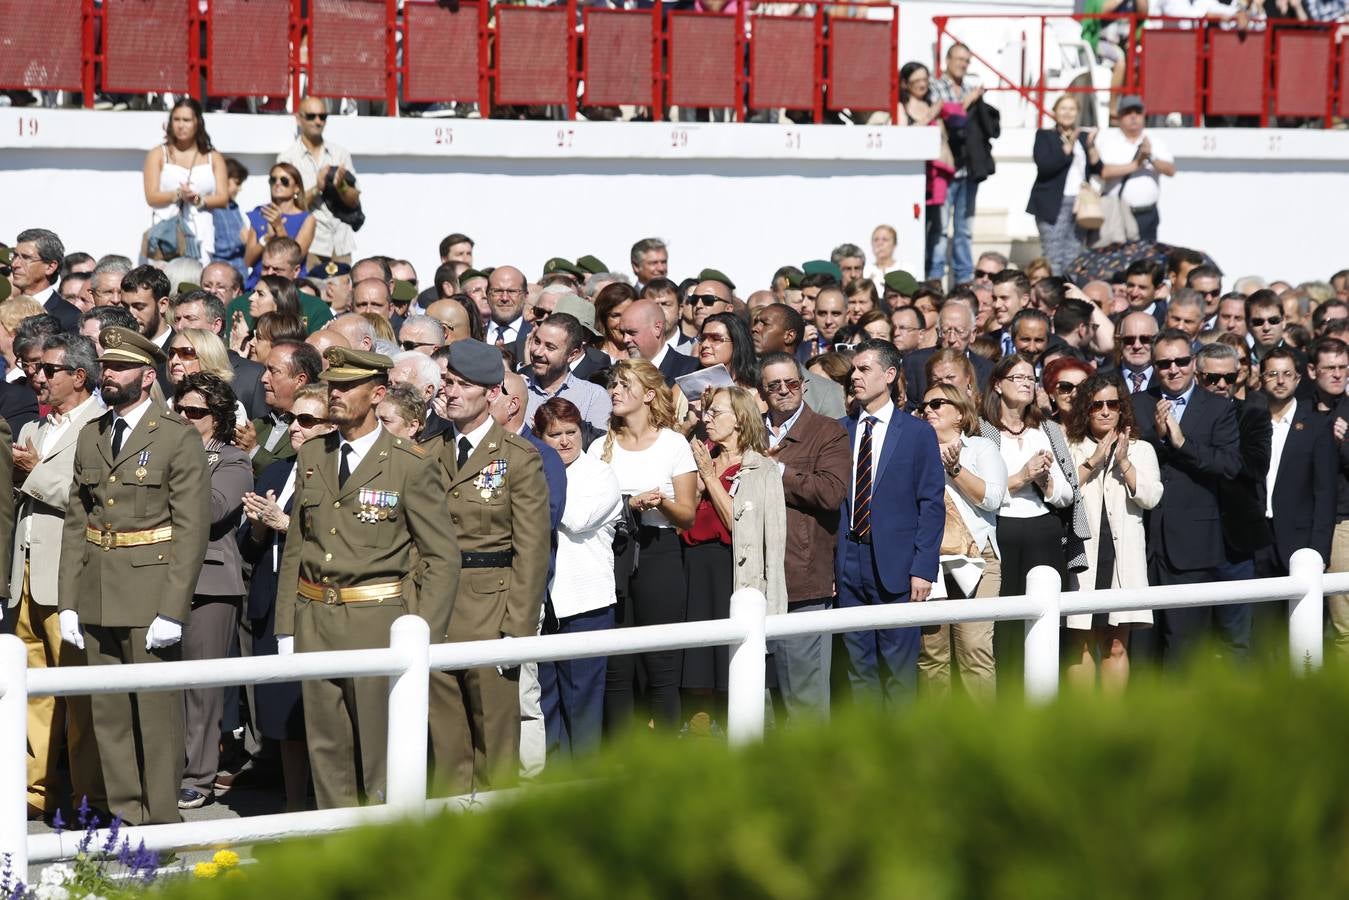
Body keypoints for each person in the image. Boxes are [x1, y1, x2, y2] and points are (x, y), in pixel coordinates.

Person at [274, 346, 457, 809]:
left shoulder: (409, 463)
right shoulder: (314, 452)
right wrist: (286, 625)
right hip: (315, 614)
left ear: (377, 394)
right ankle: (335, 844)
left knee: (380, 750)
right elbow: (298, 542)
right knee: (326, 746)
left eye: (345, 387)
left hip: (376, 620)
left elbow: (440, 555)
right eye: (331, 385)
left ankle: (382, 850)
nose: (334, 395)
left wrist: (422, 633)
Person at [57, 326, 210, 826]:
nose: (109, 376)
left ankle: (163, 819)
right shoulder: (92, 433)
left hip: (150, 592)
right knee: (109, 715)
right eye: (106, 367)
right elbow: (78, 522)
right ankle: (124, 817)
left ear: (148, 376)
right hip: (98, 587)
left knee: (156, 715)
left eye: (120, 368)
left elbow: (190, 528)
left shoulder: (176, 436)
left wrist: (173, 608)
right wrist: (69, 600)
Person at [430, 339, 549, 795]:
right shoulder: (425, 452)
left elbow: (532, 549)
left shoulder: (518, 457)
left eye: (462, 385)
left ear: (492, 393)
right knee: (445, 745)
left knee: (495, 743)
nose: (451, 392)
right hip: (435, 609)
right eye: (447, 383)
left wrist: (517, 627)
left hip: (491, 609)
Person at [9, 334, 101, 821]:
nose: (37, 377)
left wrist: (33, 473)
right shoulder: (33, 428)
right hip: (24, 574)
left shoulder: (99, 426)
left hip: (67, 577)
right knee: (33, 690)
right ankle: (33, 789)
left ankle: (86, 795)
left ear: (78, 377)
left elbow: (90, 497)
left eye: (49, 370)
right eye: (36, 369)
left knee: (79, 694)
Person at [238, 384, 334, 812]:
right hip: (272, 602)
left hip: (315, 607)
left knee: (322, 715)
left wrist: (284, 523)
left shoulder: (338, 473)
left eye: (307, 421)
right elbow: (249, 545)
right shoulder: (277, 471)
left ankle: (330, 805)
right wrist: (259, 525)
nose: (295, 427)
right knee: (282, 718)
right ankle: (294, 808)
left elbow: (339, 538)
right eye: (294, 418)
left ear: (331, 426)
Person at [836, 339, 945, 706]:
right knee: (858, 667)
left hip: (897, 566)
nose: (855, 376)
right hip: (849, 560)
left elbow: (931, 503)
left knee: (898, 672)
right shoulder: (840, 431)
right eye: (853, 369)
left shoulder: (917, 433)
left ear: (890, 374)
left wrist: (923, 567)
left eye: (864, 369)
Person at [590, 360, 697, 731]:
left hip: (659, 552)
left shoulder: (673, 444)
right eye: (613, 384)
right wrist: (628, 503)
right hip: (612, 555)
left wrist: (660, 502)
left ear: (649, 394)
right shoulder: (599, 445)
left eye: (624, 384)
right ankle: (620, 758)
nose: (614, 391)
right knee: (616, 668)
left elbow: (687, 516)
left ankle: (667, 760)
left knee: (661, 666)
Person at [1132, 328, 1241, 666]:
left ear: (1194, 362)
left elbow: (1229, 465)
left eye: (1181, 360)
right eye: (1164, 363)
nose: (1173, 369)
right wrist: (1159, 438)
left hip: (1194, 545)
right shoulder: (1136, 405)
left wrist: (1180, 444)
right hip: (1141, 542)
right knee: (1139, 649)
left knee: (1186, 650)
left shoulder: (1218, 408)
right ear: (1153, 366)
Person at [683, 386, 786, 730]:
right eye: (707, 413)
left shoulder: (759, 468)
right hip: (694, 570)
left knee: (735, 666)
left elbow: (737, 524)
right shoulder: (702, 460)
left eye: (716, 413)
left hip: (732, 572)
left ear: (740, 420)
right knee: (698, 668)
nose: (708, 418)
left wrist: (710, 479)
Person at [170, 373, 251, 810]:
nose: (185, 418)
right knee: (165, 686)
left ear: (217, 419)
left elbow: (215, 508)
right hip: (162, 579)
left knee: (201, 687)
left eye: (196, 412)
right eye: (179, 410)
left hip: (211, 582)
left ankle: (198, 776)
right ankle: (168, 768)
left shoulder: (233, 460)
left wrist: (184, 463)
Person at [758, 352, 848, 721]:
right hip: (752, 581)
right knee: (758, 698)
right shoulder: (749, 429)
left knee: (805, 700)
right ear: (763, 393)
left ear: (804, 386)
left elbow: (831, 492)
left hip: (802, 579)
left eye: (791, 383)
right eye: (774, 385)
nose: (784, 390)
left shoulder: (828, 431)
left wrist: (776, 470)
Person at [983, 352, 1081, 691]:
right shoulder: (982, 430)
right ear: (998, 385)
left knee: (1043, 616)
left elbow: (1069, 494)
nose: (1027, 384)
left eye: (1031, 378)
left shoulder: (1048, 429)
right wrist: (1023, 476)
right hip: (1000, 531)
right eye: (1018, 378)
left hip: (1044, 529)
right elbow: (981, 492)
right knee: (1003, 622)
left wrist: (1046, 483)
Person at [534, 397, 622, 757]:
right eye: (555, 435)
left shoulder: (600, 473)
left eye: (572, 432)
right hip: (543, 603)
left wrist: (543, 481)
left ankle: (584, 783)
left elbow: (578, 518)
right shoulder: (533, 470)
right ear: (541, 437)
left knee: (582, 704)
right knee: (546, 702)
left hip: (587, 604)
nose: (566, 441)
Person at [1064, 373, 1162, 692]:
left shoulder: (1141, 449)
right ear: (1086, 410)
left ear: (1122, 408)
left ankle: (1112, 722)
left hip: (1123, 557)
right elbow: (1060, 492)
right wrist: (1094, 462)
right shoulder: (1070, 446)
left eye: (1113, 404)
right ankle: (1082, 723)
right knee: (1080, 642)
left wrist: (1124, 463)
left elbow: (1151, 496)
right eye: (1097, 405)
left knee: (1116, 644)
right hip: (1084, 555)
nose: (1106, 411)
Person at [915, 383, 1007, 702]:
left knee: (975, 651)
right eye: (923, 405)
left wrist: (954, 469)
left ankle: (980, 739)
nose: (928, 410)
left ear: (959, 414)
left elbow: (993, 499)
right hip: (929, 561)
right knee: (931, 655)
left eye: (937, 404)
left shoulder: (982, 448)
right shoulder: (914, 450)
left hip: (978, 558)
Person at [928, 43, 989, 285]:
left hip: (968, 167)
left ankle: (964, 278)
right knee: (940, 228)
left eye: (967, 60)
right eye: (959, 59)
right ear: (947, 59)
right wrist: (967, 101)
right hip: (945, 167)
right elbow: (945, 117)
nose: (963, 64)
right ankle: (934, 276)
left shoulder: (968, 87)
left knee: (964, 228)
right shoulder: (936, 87)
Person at [142, 99, 229, 266]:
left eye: (186, 120)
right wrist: (178, 194)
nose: (181, 125)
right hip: (166, 234)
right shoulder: (158, 154)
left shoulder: (213, 157)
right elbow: (151, 196)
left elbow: (223, 197)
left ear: (197, 122)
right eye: (176, 119)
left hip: (201, 233)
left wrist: (198, 199)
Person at [277, 97, 360, 269]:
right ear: (298, 118)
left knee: (343, 295)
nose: (318, 121)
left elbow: (354, 201)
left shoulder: (340, 153)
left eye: (323, 116)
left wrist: (341, 186)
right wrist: (317, 188)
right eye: (311, 116)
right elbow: (286, 208)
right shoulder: (288, 158)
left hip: (341, 243)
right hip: (311, 245)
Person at [1028, 95, 1102, 276]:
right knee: (1053, 256)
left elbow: (1098, 168)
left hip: (1079, 204)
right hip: (1052, 203)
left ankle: (1070, 296)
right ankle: (1053, 296)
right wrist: (1068, 146)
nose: (1067, 113)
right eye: (1063, 108)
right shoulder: (1045, 136)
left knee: (1074, 255)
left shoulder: (1083, 138)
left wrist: (1091, 146)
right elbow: (1046, 166)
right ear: (1054, 112)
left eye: (1072, 109)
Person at [1097, 95, 1176, 243]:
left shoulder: (1155, 141)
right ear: (1119, 117)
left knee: (1146, 262)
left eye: (1137, 112)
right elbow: (1104, 172)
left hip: (1147, 214)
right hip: (1117, 214)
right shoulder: (1109, 142)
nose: (1133, 116)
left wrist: (1150, 156)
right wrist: (1135, 164)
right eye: (1128, 112)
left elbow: (1170, 170)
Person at [243, 162, 315, 290]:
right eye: (273, 179)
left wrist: (279, 227)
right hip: (259, 283)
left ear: (297, 188)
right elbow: (248, 260)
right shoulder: (260, 213)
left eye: (284, 180)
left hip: (288, 286)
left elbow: (295, 257)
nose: (277, 183)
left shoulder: (307, 219)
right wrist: (267, 238)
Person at [10, 228, 81, 332]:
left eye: (26, 258)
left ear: (50, 267)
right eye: (15, 256)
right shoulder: (5, 309)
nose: (14, 264)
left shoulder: (70, 318)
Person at [618, 298, 699, 386]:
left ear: (657, 328)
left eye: (632, 332)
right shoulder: (621, 372)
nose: (625, 339)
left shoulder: (690, 370)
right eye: (623, 333)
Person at [698, 312, 759, 389]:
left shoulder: (758, 395)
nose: (704, 345)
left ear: (737, 343)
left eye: (715, 338)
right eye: (702, 338)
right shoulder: (682, 391)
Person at [1042, 357, 1096, 422]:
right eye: (1065, 387)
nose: (1074, 394)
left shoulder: (1102, 428)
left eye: (1082, 387)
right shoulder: (1040, 430)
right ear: (1051, 393)